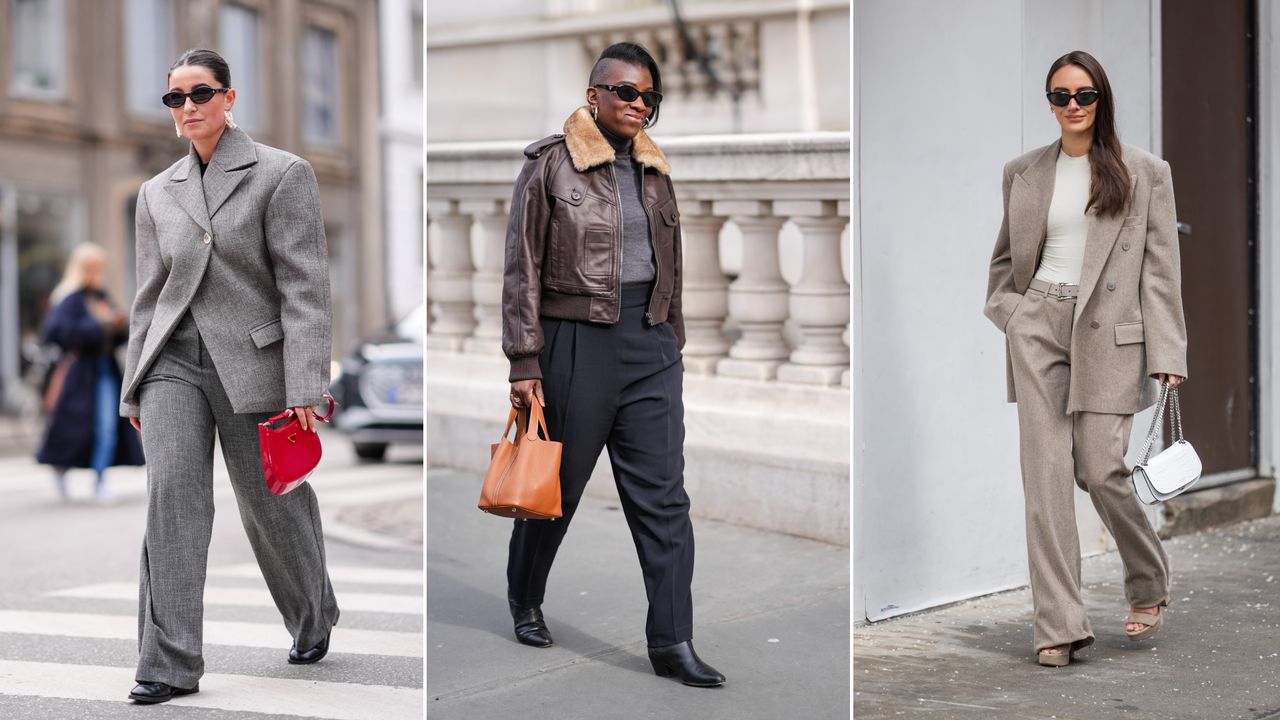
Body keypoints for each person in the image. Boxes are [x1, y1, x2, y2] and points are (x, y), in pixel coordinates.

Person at [500, 42, 724, 688]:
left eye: (648, 96)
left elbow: (673, 263)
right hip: (576, 342)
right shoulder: (549, 168)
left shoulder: (656, 173)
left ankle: (672, 640)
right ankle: (524, 594)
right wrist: (525, 361)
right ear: (593, 95)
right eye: (624, 91)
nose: (637, 104)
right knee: (556, 492)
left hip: (649, 346)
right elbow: (522, 270)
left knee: (664, 500)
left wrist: (671, 342)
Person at [118, 48, 338, 703]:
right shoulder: (156, 193)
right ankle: (168, 662)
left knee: (273, 504)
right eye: (175, 98)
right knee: (172, 506)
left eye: (200, 93)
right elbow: (149, 295)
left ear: (229, 97)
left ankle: (312, 612)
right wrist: (135, 380)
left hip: (257, 365)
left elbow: (304, 288)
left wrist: (304, 382)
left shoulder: (282, 174)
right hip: (171, 367)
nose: (188, 108)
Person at [984, 50, 1188, 667]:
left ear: (1102, 99)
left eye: (1083, 95)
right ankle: (1059, 627)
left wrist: (1168, 351)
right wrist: (1013, 317)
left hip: (1110, 334)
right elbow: (1002, 264)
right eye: (1059, 96)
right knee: (1044, 480)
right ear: (1049, 103)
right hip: (1039, 325)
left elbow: (1160, 271)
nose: (1071, 106)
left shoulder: (1146, 172)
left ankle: (1148, 579)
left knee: (1100, 469)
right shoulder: (1023, 171)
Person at [35, 242, 144, 500]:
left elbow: (119, 333)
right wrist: (99, 326)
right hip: (79, 374)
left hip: (104, 369)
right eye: (93, 268)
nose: (98, 274)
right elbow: (56, 333)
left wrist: (117, 326)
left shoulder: (100, 296)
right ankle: (61, 468)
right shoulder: (69, 299)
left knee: (107, 427)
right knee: (73, 427)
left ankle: (100, 478)